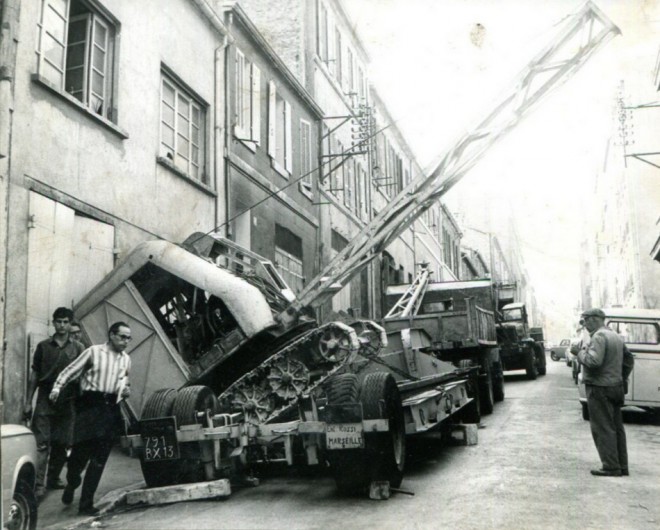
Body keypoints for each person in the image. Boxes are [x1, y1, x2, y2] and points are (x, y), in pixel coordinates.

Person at [49, 321, 132, 515]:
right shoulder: (94, 352)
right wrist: (57, 387)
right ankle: (72, 483)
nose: (126, 341)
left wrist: (125, 391)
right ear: (111, 335)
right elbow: (71, 370)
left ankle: (86, 504)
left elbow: (124, 382)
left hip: (111, 408)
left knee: (99, 459)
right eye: (122, 336)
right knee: (79, 457)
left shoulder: (126, 359)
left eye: (129, 338)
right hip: (90, 406)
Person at [24, 307, 85, 498]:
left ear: (71, 323)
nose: (62, 325)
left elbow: (84, 375)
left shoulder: (78, 348)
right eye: (59, 321)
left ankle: (53, 477)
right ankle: (38, 485)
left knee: (62, 443)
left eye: (66, 322)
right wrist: (28, 401)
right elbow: (35, 374)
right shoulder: (43, 346)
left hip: (68, 401)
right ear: (53, 322)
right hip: (45, 399)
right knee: (41, 444)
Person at [578, 308, 634, 477]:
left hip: (599, 388)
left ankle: (610, 466)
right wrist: (620, 377)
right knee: (616, 427)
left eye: (585, 320)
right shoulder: (615, 336)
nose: (584, 324)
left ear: (594, 319)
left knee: (602, 427)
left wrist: (579, 353)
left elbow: (593, 361)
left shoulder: (599, 336)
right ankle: (622, 465)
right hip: (614, 387)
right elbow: (629, 360)